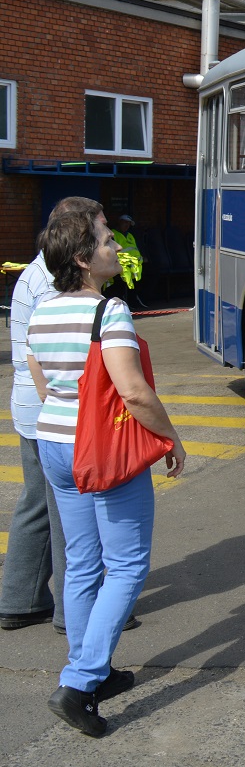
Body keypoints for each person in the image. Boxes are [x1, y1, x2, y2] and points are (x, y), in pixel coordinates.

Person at [30, 204, 187, 736]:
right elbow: (135, 392)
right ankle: (79, 683)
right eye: (104, 242)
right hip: (100, 450)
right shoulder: (108, 313)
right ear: (82, 258)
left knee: (81, 563)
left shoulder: (39, 310)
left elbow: (44, 379)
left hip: (52, 442)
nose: (115, 248)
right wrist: (170, 437)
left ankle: (89, 669)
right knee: (126, 566)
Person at [1, 197, 94, 633]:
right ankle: (70, 610)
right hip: (50, 405)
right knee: (67, 509)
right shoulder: (55, 281)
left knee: (39, 501)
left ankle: (19, 599)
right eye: (101, 230)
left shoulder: (36, 271)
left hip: (30, 404)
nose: (107, 239)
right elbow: (57, 355)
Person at [109, 213, 146, 309]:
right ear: (119, 222)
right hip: (121, 262)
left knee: (151, 271)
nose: (127, 225)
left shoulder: (130, 235)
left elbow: (135, 249)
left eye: (129, 224)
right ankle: (126, 299)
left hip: (135, 263)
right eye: (125, 222)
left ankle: (136, 298)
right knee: (123, 278)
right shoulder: (113, 234)